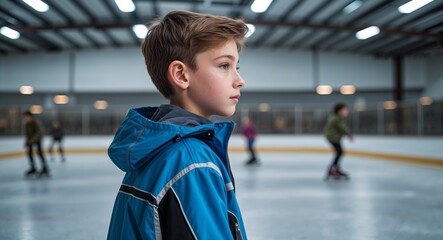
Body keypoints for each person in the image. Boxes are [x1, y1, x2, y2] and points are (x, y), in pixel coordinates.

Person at [107, 11, 248, 239]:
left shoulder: (156, 149)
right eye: (224, 65)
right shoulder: (192, 162)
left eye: (236, 67)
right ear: (181, 75)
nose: (240, 80)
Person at [324, 103, 353, 179]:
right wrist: (349, 134)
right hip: (333, 138)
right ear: (339, 111)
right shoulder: (336, 118)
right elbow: (342, 127)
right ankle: (333, 169)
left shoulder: (336, 117)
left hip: (333, 137)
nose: (346, 111)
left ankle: (334, 169)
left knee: (339, 152)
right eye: (344, 110)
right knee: (339, 152)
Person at [23, 110, 50, 177]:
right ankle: (33, 168)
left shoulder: (36, 123)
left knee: (40, 153)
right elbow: (27, 135)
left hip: (38, 139)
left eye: (27, 117)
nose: (26, 118)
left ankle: (45, 168)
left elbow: (40, 133)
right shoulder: (27, 124)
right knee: (29, 153)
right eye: (25, 117)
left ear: (30, 117)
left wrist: (31, 141)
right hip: (31, 140)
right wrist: (27, 143)